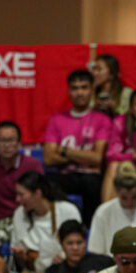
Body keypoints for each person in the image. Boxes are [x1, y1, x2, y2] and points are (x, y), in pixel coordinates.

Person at [43, 69, 110, 225]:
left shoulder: (102, 120)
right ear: (69, 91)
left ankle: (89, 229)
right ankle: (62, 227)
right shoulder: (56, 120)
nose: (79, 93)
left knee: (92, 184)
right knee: (46, 184)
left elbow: (97, 158)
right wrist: (84, 156)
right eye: (75, 88)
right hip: (64, 176)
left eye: (84, 88)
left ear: (92, 90)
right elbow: (49, 158)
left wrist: (63, 150)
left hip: (91, 177)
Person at [10, 171, 82, 273]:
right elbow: (19, 257)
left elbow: (79, 242)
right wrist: (22, 257)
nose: (17, 200)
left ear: (38, 193)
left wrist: (65, 258)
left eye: (21, 194)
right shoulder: (19, 214)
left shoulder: (67, 210)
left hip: (63, 272)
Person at [0, 121, 44, 244]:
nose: (6, 145)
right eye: (2, 141)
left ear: (19, 142)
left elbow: (40, 197)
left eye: (11, 140)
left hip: (26, 218)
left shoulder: (32, 164)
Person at [42, 220, 113, 273]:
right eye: (70, 243)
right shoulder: (53, 272)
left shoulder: (103, 263)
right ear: (62, 245)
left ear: (85, 243)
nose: (75, 248)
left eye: (79, 242)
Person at [91, 54, 132, 118]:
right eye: (94, 69)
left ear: (111, 74)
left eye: (99, 69)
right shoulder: (91, 93)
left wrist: (114, 109)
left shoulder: (126, 93)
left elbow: (128, 116)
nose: (94, 73)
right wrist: (95, 107)